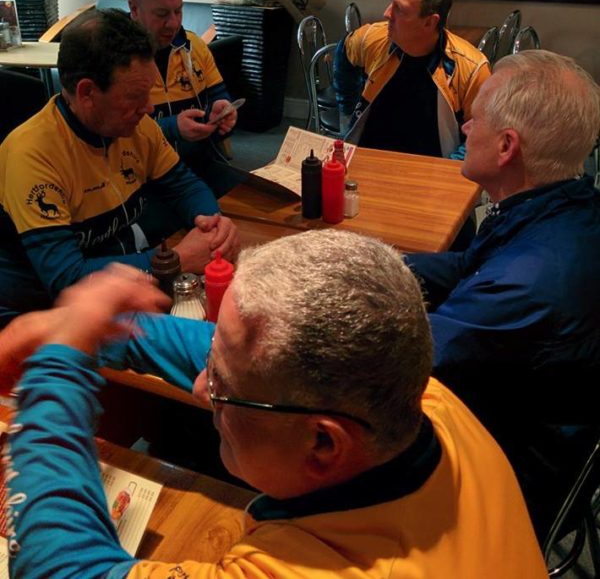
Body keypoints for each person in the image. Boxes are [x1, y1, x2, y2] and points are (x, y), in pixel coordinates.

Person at [1, 231, 546, 578]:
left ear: (323, 442)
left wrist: (58, 365)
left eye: (221, 386)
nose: (202, 387)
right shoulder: (420, 394)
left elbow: (57, 568)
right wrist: (80, 329)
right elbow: (230, 353)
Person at [405, 49, 600, 536]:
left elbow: (408, 359)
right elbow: (468, 266)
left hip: (515, 477)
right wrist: (381, 265)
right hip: (537, 416)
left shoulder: (527, 281)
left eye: (475, 120)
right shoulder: (563, 203)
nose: (465, 128)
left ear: (506, 146)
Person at [0, 8, 239, 325]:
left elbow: (184, 185)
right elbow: (66, 280)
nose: (149, 108)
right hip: (38, 315)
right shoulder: (31, 155)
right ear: (87, 92)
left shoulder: (137, 126)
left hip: (120, 284)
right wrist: (175, 260)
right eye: (136, 96)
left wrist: (212, 226)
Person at [333, 0, 490, 157]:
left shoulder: (472, 69)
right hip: (367, 155)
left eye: (400, 9)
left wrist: (448, 166)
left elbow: (482, 135)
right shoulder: (372, 37)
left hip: (430, 164)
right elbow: (344, 54)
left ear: (430, 22)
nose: (387, 13)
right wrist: (348, 109)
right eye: (391, 1)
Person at [128, 0, 237, 197]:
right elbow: (111, 137)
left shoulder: (195, 46)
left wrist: (223, 112)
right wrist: (171, 128)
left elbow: (219, 97)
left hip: (200, 168)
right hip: (141, 181)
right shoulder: (115, 59)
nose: (174, 23)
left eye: (178, 11)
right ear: (134, 8)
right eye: (162, 14)